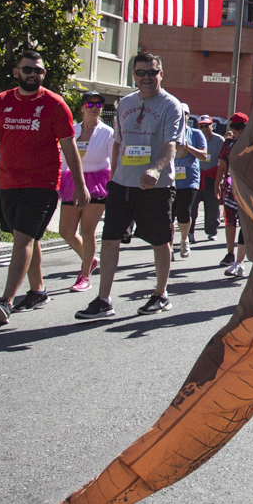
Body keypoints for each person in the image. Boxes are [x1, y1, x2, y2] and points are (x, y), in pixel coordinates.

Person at [0, 49, 85, 326]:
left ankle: (6, 301)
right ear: (16, 72)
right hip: (8, 182)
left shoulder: (54, 103)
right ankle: (38, 291)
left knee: (23, 238)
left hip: (43, 182)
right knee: (26, 237)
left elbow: (69, 146)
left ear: (43, 74)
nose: (33, 74)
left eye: (38, 70)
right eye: (28, 69)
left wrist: (80, 185)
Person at [79, 52, 185, 319]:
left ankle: (161, 294)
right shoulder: (125, 103)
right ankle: (103, 300)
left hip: (156, 186)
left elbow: (172, 143)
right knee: (110, 240)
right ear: (134, 75)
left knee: (160, 242)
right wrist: (114, 174)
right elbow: (118, 141)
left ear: (161, 74)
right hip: (122, 184)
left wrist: (155, 169)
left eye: (152, 72)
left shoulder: (170, 105)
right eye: (141, 72)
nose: (147, 77)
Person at [57, 93, 113, 292]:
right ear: (82, 107)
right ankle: (89, 259)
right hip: (71, 180)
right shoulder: (72, 130)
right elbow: (63, 157)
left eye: (99, 104)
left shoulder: (107, 132)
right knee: (65, 231)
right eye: (90, 104)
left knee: (87, 231)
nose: (94, 107)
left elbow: (112, 161)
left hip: (97, 181)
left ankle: (84, 276)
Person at [167, 114, 212, 261]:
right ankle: (169, 247)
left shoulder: (195, 133)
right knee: (169, 216)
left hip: (189, 181)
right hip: (169, 181)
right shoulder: (168, 131)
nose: (181, 117)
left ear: (188, 116)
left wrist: (187, 146)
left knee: (184, 213)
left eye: (185, 114)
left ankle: (184, 240)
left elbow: (203, 156)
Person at [217, 112, 249, 278]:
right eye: (235, 133)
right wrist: (217, 185)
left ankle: (240, 262)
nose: (237, 135)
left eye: (240, 132)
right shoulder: (228, 144)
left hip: (248, 190)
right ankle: (230, 253)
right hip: (230, 188)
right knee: (230, 221)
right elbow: (222, 165)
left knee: (244, 224)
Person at [192, 114, 224, 244]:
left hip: (212, 176)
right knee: (192, 206)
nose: (204, 129)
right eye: (201, 126)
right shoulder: (193, 138)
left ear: (212, 126)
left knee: (212, 205)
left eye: (207, 126)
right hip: (195, 176)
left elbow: (222, 160)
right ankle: (189, 232)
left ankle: (212, 231)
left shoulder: (219, 140)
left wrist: (220, 179)